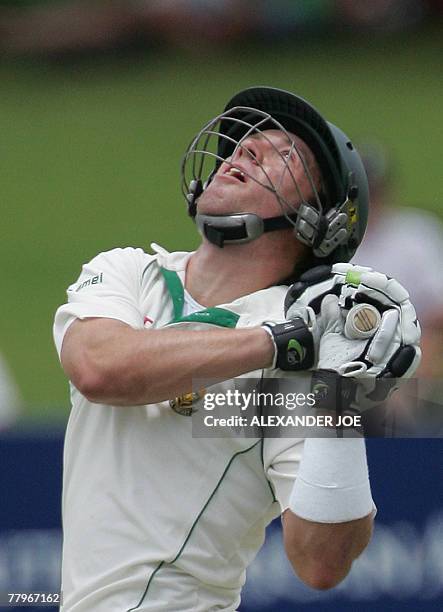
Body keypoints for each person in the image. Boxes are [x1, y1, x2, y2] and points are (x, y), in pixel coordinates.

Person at [53, 87, 420, 611]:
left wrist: (337, 391)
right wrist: (278, 345)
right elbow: (98, 368)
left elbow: (321, 562)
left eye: (284, 152)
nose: (246, 149)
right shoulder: (129, 272)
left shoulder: (305, 361)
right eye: (246, 141)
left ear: (321, 220)